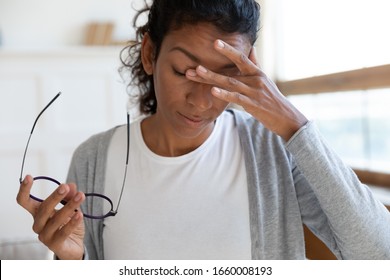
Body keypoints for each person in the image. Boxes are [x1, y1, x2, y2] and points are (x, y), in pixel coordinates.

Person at [17, 0, 390, 260]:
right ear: (150, 55)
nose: (200, 101)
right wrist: (72, 261)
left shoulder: (274, 150)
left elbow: (379, 254)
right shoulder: (94, 158)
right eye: (183, 72)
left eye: (223, 78)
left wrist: (294, 124)